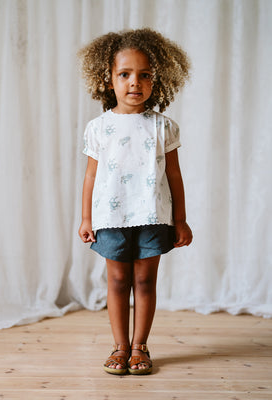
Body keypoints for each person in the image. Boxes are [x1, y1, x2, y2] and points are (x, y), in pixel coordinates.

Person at [78, 28, 193, 375]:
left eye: (145, 75)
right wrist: (86, 218)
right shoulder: (98, 128)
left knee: (144, 282)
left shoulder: (163, 127)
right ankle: (120, 346)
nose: (135, 83)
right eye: (125, 74)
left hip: (153, 216)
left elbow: (174, 176)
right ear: (107, 79)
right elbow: (90, 177)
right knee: (116, 282)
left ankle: (140, 346)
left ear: (158, 80)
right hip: (110, 218)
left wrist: (181, 219)